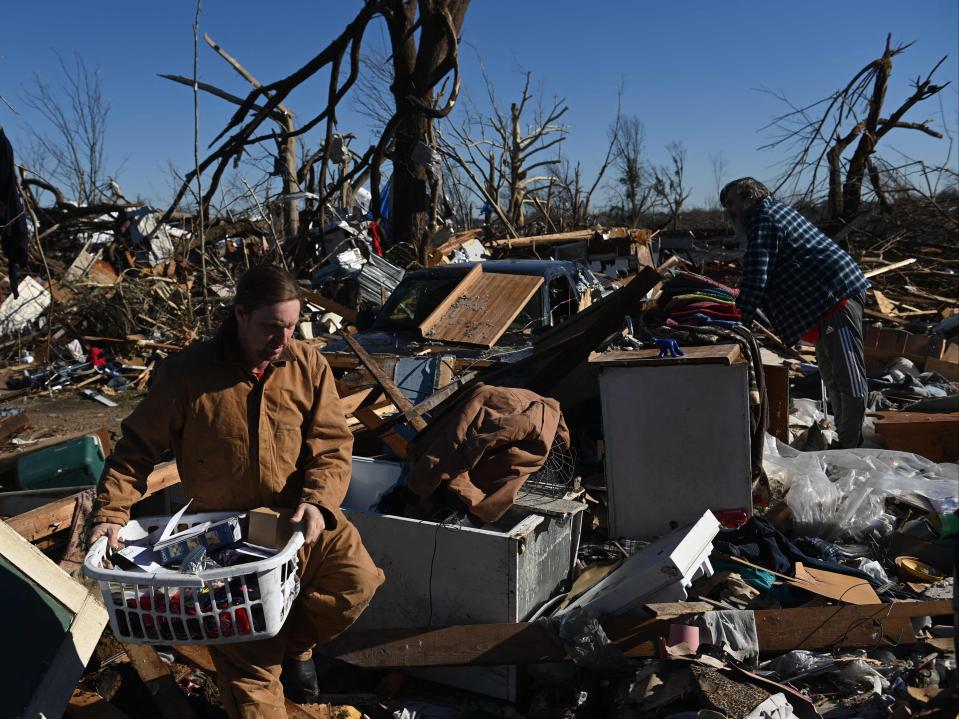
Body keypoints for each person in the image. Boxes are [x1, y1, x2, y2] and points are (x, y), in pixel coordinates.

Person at [88, 264, 384, 717]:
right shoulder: (188, 374)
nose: (283, 338)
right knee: (253, 689)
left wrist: (319, 501)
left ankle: (294, 645)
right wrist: (110, 513)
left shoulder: (307, 364)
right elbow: (135, 450)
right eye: (271, 326)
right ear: (240, 314)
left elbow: (332, 443)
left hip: (298, 519)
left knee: (357, 583)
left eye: (291, 326)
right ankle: (265, 659)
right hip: (231, 542)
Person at [719, 178, 870, 448]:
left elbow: (756, 275)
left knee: (848, 377)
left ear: (749, 198)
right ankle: (845, 440)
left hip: (836, 296)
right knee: (832, 375)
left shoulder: (762, 217)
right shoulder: (771, 213)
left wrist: (735, 324)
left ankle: (851, 446)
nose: (729, 211)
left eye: (731, 203)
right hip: (825, 302)